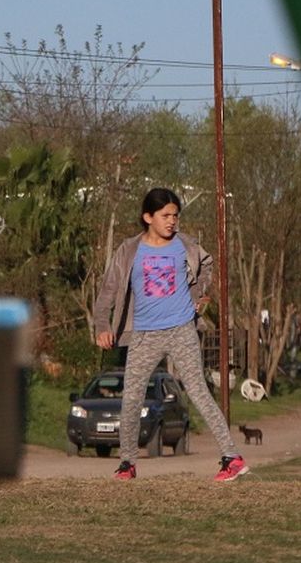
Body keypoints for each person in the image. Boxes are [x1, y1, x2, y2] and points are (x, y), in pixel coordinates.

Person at [93, 187, 249, 482]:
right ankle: (127, 464)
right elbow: (108, 292)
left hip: (181, 331)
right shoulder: (129, 251)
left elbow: (206, 265)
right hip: (143, 335)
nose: (172, 221)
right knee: (132, 399)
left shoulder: (186, 246)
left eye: (175, 216)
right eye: (165, 215)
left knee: (200, 393)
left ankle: (232, 458)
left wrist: (197, 298)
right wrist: (102, 325)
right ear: (148, 217)